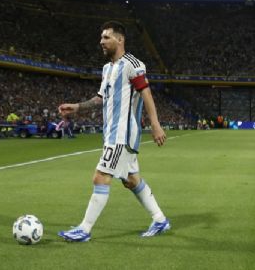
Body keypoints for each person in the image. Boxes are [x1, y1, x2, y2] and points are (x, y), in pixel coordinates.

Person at [57, 21, 170, 242]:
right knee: (131, 180)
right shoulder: (107, 69)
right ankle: (159, 219)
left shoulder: (133, 64)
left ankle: (85, 229)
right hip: (111, 133)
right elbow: (101, 98)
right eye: (101, 37)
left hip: (122, 135)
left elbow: (146, 93)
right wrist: (78, 107)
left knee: (100, 177)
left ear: (120, 39)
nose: (101, 41)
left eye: (106, 37)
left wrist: (155, 124)